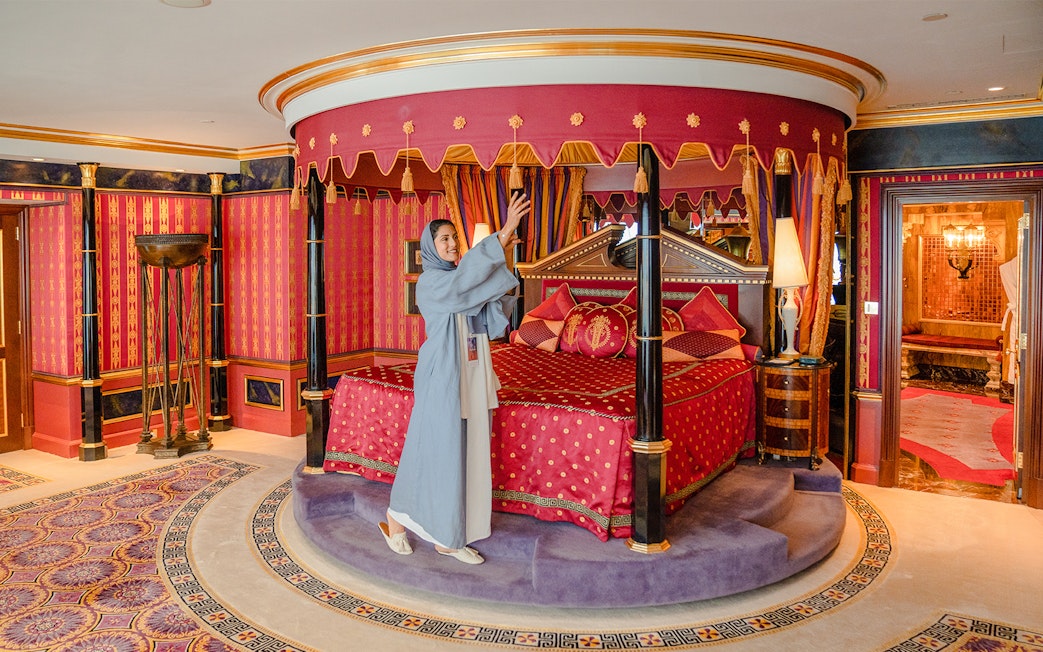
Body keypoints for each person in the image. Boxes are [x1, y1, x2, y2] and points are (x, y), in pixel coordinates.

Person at [380, 192, 530, 565]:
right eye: (443, 239)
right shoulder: (431, 283)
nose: (451, 244)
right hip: (443, 377)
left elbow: (489, 310)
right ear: (430, 248)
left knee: (465, 454)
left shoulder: (461, 282)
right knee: (435, 452)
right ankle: (399, 519)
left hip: (472, 374)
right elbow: (466, 287)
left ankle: (450, 533)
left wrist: (504, 252)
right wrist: (504, 232)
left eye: (453, 239)